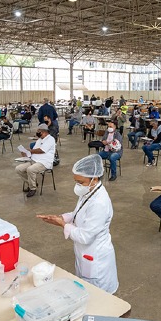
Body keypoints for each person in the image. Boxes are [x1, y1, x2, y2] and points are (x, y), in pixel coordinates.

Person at [36, 155, 118, 293]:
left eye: (80, 182)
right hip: (84, 252)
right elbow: (79, 212)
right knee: (84, 287)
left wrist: (62, 224)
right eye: (76, 181)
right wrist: (61, 217)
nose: (78, 185)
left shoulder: (99, 203)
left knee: (98, 295)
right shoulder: (89, 191)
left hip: (95, 255)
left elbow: (85, 236)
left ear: (95, 178)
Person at [16, 124, 56, 197]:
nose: (37, 132)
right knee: (18, 169)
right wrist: (26, 153)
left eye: (39, 131)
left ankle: (32, 188)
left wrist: (30, 151)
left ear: (44, 131)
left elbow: (41, 150)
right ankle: (32, 183)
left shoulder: (50, 139)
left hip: (44, 162)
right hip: (34, 160)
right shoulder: (40, 139)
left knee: (30, 169)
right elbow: (33, 152)